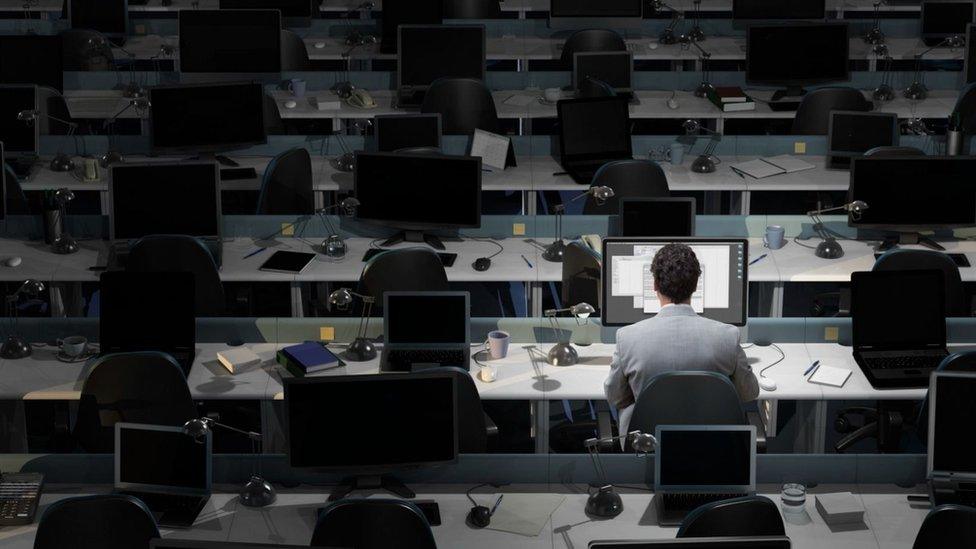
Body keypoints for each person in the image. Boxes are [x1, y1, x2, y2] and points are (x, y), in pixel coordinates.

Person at [604, 243, 759, 437]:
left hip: (646, 447)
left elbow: (614, 397)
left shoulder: (627, 338)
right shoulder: (728, 336)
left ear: (654, 285)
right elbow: (749, 393)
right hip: (713, 445)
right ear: (695, 286)